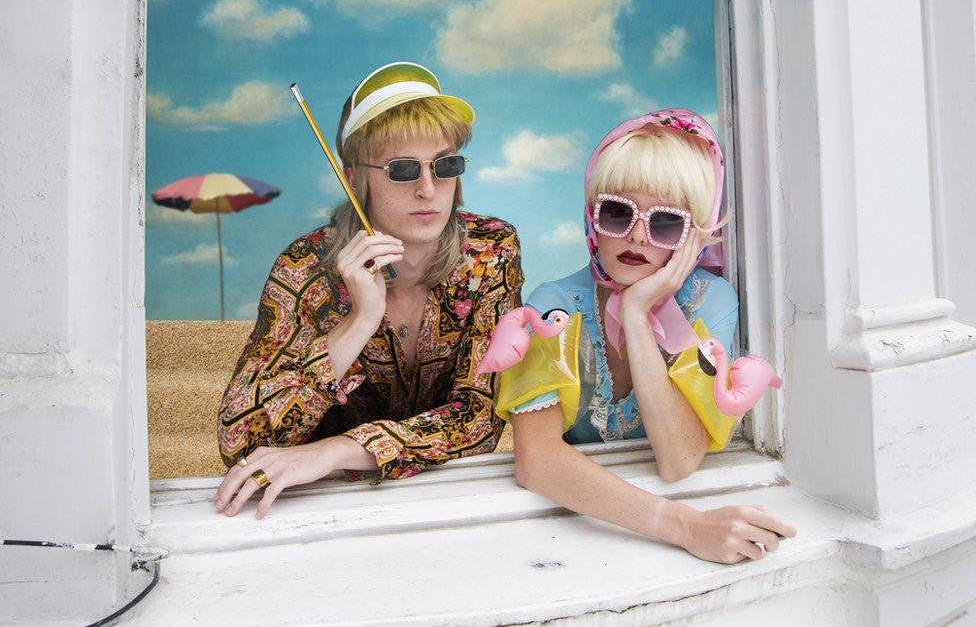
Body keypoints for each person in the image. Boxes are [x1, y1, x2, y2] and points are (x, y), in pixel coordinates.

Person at [214, 62, 523, 519]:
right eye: (402, 170)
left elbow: (479, 417)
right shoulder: (303, 268)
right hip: (327, 509)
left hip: (450, 499)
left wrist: (339, 449)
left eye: (445, 165)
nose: (427, 189)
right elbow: (242, 442)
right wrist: (358, 320)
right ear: (354, 176)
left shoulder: (492, 250)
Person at [498, 109, 796, 564]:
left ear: (694, 236)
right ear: (591, 217)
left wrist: (636, 314)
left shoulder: (709, 303)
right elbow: (536, 461)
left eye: (666, 223)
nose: (636, 235)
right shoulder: (553, 304)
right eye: (617, 212)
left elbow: (679, 460)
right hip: (568, 534)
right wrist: (686, 527)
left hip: (629, 528)